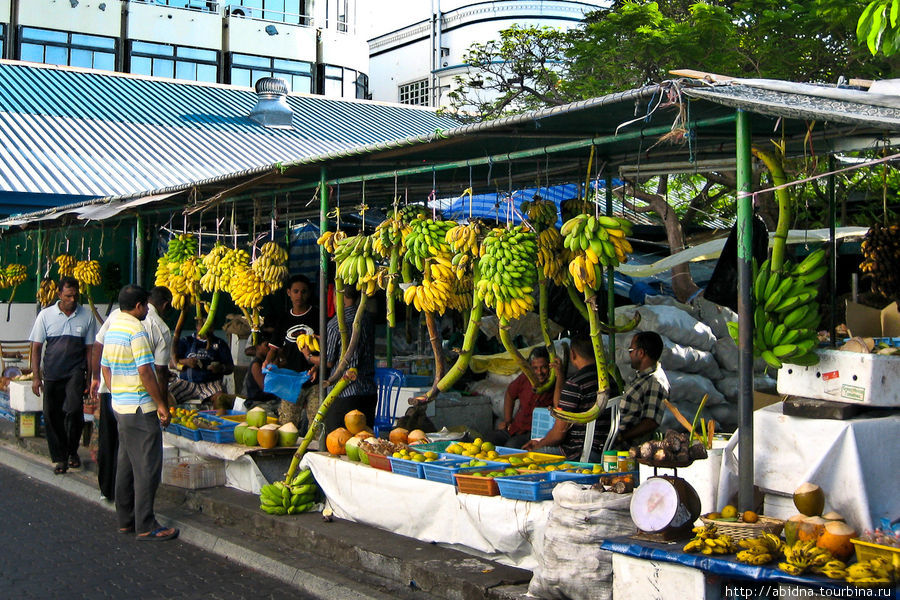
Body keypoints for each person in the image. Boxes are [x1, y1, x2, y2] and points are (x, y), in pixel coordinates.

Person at [100, 285, 177, 541]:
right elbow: (146, 372)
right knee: (146, 466)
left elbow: (105, 368)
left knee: (126, 463)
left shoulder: (113, 327)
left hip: (121, 406)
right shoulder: (136, 330)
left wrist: (117, 393)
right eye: (145, 305)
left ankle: (125, 519)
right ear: (139, 306)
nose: (146, 310)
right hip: (141, 407)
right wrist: (162, 404)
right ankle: (145, 523)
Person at [29, 276, 97, 475]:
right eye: (68, 296)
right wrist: (35, 376)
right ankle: (60, 457)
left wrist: (90, 376)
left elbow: (90, 349)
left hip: (75, 371)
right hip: (52, 372)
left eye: (75, 296)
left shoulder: (86, 316)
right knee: (52, 415)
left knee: (73, 411)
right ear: (59, 295)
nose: (72, 300)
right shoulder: (45, 315)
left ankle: (71, 451)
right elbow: (36, 347)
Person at [524, 335, 606, 461]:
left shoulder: (576, 384)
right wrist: (560, 375)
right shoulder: (608, 380)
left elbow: (558, 435)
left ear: (572, 354)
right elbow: (560, 408)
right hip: (605, 450)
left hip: (577, 453)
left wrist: (538, 446)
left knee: (527, 457)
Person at [309, 285, 376, 433]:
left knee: (338, 440)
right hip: (368, 392)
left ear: (338, 297)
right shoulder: (366, 318)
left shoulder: (335, 324)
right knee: (364, 439)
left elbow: (328, 361)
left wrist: (308, 355)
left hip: (345, 394)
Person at [484, 347, 553, 449]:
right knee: (488, 441)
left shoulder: (554, 383)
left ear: (550, 367)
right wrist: (507, 420)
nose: (539, 372)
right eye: (535, 368)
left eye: (543, 367)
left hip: (533, 434)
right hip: (515, 428)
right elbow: (510, 394)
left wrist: (559, 375)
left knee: (511, 446)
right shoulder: (525, 378)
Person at [617, 331, 668, 446]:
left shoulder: (655, 382)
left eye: (631, 351)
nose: (629, 355)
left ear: (640, 353)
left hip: (630, 449)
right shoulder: (643, 377)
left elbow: (651, 421)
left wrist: (622, 437)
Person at [169, 319, 234, 407]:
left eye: (209, 325)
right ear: (197, 326)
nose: (205, 328)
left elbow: (230, 367)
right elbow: (172, 364)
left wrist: (221, 367)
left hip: (211, 383)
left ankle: (218, 419)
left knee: (221, 399)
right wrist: (186, 362)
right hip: (187, 383)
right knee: (167, 395)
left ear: (213, 327)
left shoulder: (220, 343)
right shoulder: (186, 341)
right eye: (202, 324)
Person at [265, 274, 318, 379]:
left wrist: (317, 367)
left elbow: (327, 349)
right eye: (296, 291)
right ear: (289, 292)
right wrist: (267, 362)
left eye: (303, 292)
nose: (299, 296)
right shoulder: (283, 319)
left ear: (309, 293)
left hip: (313, 377)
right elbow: (274, 348)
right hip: (290, 377)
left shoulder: (317, 316)